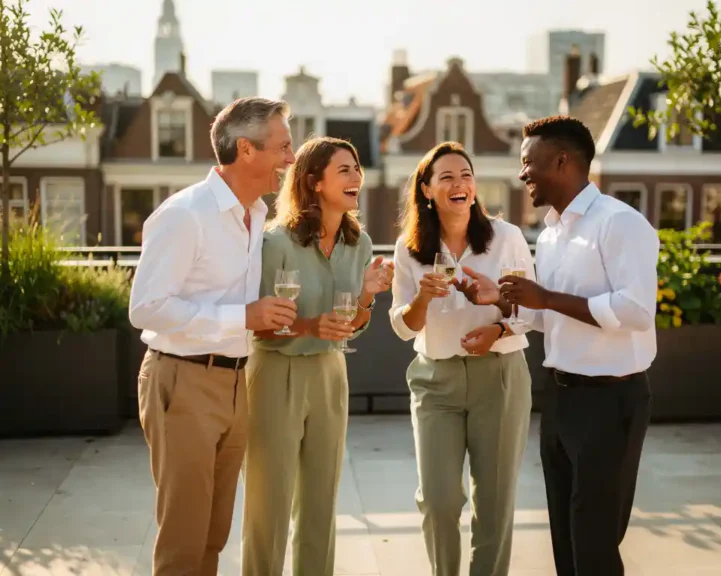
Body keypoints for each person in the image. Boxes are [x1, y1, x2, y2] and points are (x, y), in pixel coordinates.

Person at [129, 97, 298, 576]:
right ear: (246, 150)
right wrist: (242, 317)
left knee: (213, 534)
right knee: (183, 539)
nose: (291, 158)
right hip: (182, 383)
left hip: (235, 383)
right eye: (283, 147)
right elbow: (146, 307)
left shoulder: (257, 214)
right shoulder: (185, 214)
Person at [500, 116, 658, 576]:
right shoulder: (549, 234)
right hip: (561, 398)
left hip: (613, 400)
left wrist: (546, 297)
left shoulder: (620, 223)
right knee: (566, 540)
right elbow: (550, 319)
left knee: (595, 542)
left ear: (562, 161)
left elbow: (635, 310)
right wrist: (506, 301)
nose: (522, 172)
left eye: (529, 162)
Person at [241, 136, 394, 576]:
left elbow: (356, 322)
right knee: (268, 506)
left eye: (357, 168)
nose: (356, 177)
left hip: (331, 373)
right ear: (314, 181)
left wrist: (366, 294)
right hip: (275, 371)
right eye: (344, 169)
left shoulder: (359, 243)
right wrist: (308, 325)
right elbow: (255, 321)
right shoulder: (274, 244)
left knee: (321, 504)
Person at [389, 141, 534, 576]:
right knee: (438, 500)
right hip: (436, 381)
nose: (460, 184)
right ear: (427, 190)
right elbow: (402, 325)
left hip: (501, 378)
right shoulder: (408, 249)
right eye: (447, 177)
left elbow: (532, 310)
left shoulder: (506, 238)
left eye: (466, 175)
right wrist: (420, 299)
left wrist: (498, 329)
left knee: (493, 501)